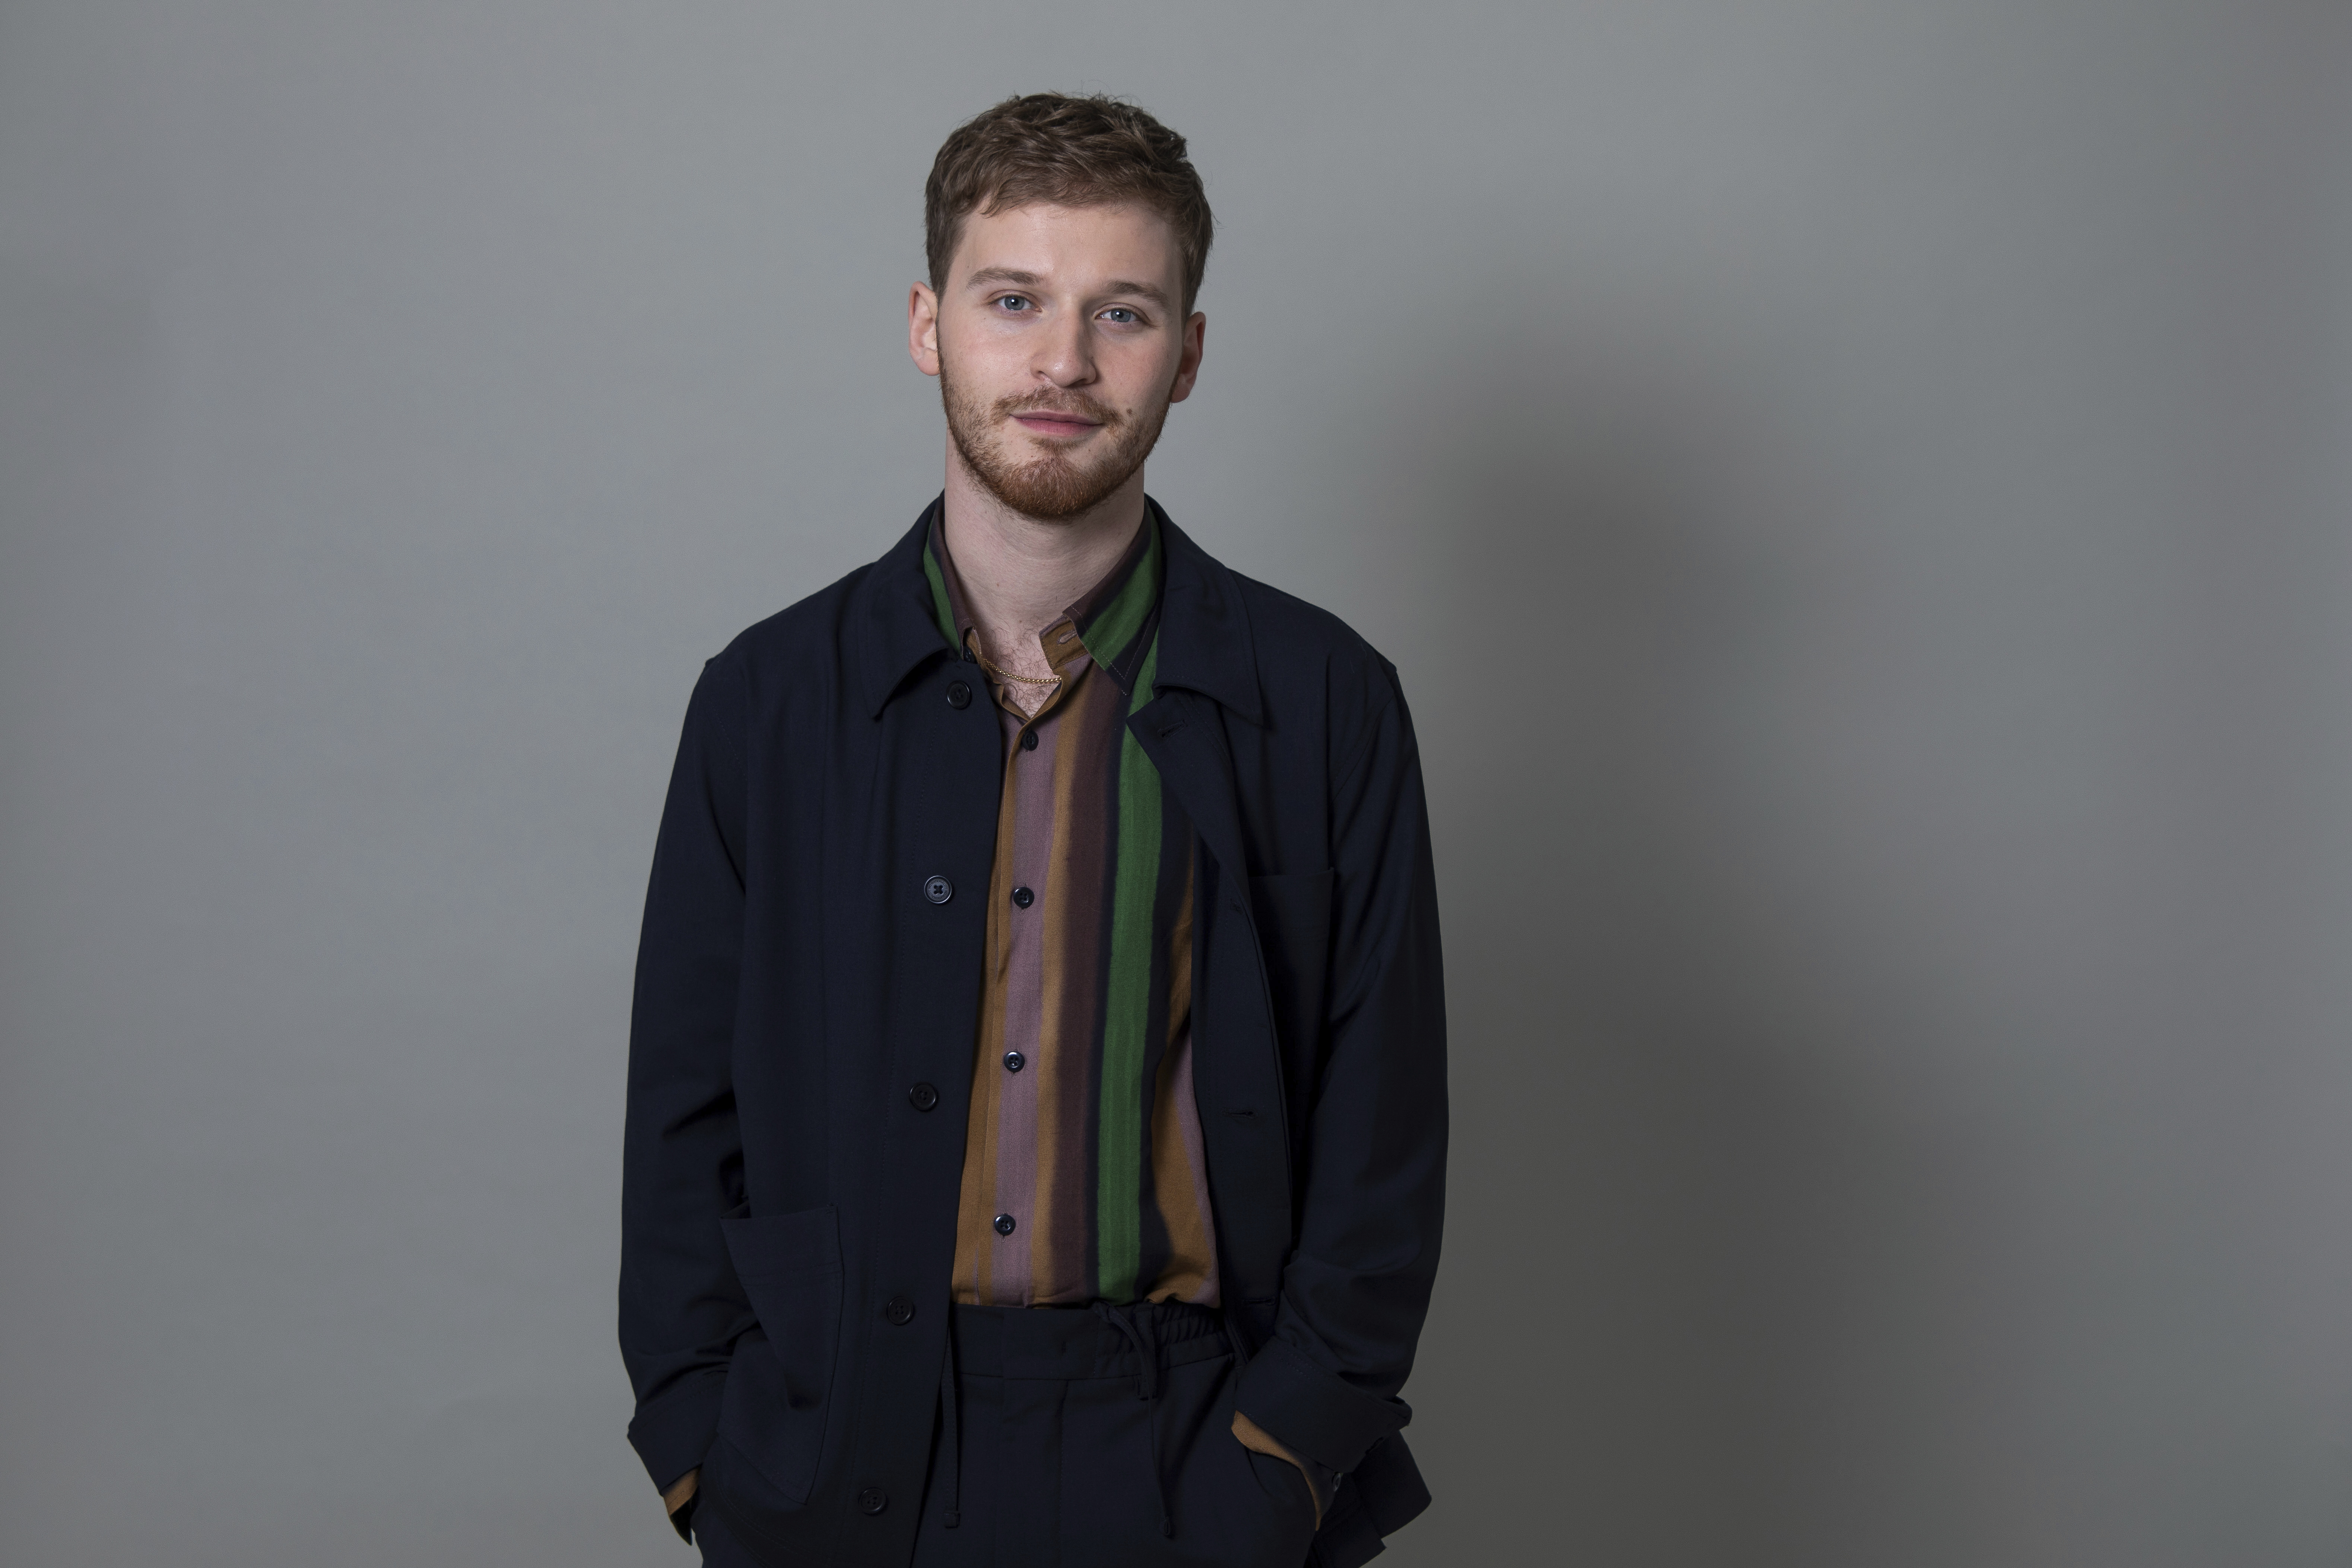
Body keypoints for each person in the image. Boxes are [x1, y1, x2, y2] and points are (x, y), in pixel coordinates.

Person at [619, 92, 1447, 1568]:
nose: (1062, 362)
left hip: (1192, 1448)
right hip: (844, 1448)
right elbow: (684, 1119)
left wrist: (1284, 1459)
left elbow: (1384, 1128)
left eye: (1120, 313)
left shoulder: (1325, 703)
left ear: (1186, 356)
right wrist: (702, 1446)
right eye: (1015, 301)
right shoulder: (764, 703)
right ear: (930, 325)